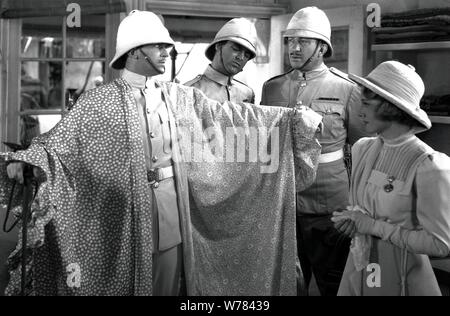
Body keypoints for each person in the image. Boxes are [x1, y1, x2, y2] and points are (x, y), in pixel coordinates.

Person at [0, 10, 323, 296]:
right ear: (136, 50)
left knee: (169, 280)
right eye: (159, 46)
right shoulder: (97, 101)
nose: (167, 52)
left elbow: (229, 117)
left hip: (171, 206)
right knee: (127, 279)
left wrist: (291, 119)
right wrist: (26, 160)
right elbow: (56, 143)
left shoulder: (178, 96)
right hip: (123, 212)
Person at [260, 6, 370, 296]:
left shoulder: (347, 89)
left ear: (322, 47)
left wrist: (358, 207)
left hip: (329, 205)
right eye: (290, 40)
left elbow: (363, 152)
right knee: (285, 284)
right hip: (282, 202)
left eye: (303, 41)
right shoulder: (272, 88)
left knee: (332, 283)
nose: (294, 48)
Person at [331, 60, 450, 296]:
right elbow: (364, 211)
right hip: (361, 263)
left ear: (391, 107)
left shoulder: (429, 166)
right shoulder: (362, 149)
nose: (358, 111)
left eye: (366, 103)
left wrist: (375, 227)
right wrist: (354, 223)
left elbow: (441, 244)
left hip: (402, 272)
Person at [185, 18, 256, 103]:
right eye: (235, 49)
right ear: (218, 46)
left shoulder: (247, 94)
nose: (241, 57)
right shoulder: (189, 91)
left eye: (247, 55)